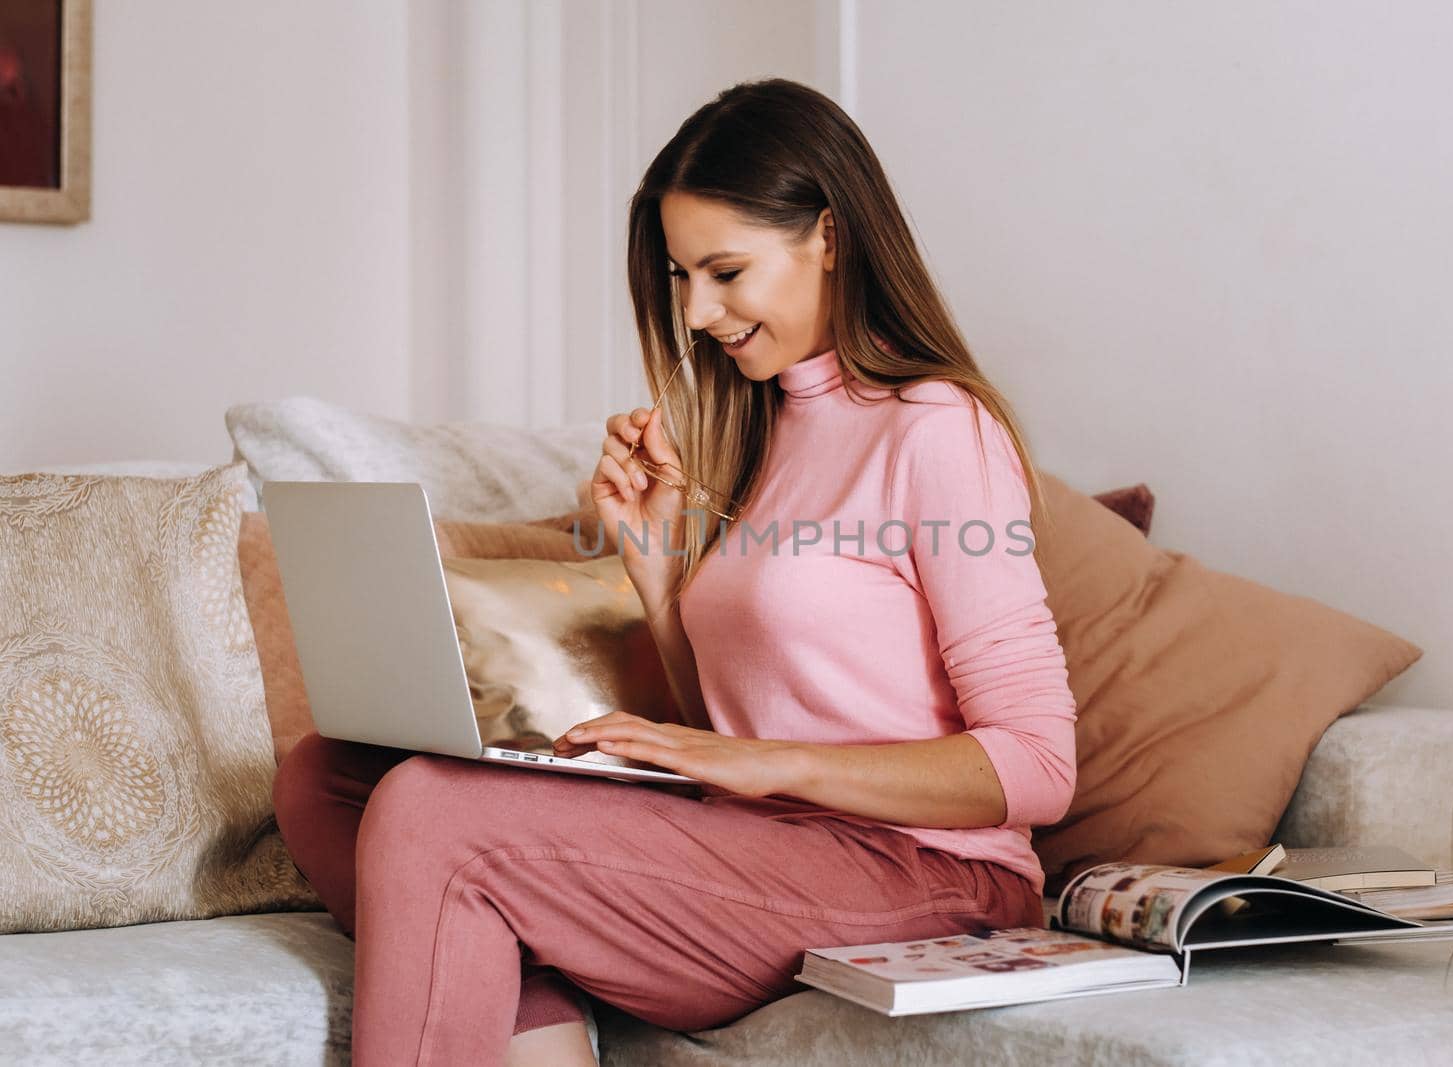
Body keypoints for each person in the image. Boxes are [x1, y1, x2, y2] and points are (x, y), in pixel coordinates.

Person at [272, 77, 1077, 1067]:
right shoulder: (760, 426)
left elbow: (1038, 765)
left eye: (725, 271)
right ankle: (539, 1026)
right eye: (681, 275)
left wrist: (770, 764)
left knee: (435, 815)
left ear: (829, 234)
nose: (697, 311)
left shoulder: (940, 430)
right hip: (762, 844)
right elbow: (739, 720)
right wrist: (655, 570)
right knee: (331, 775)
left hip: (928, 874)